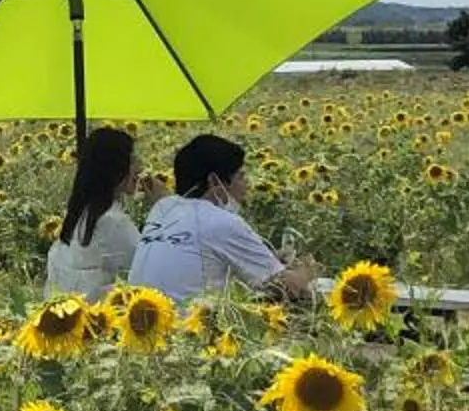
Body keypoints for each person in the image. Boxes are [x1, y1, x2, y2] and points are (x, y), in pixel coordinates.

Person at [127, 132, 293, 305]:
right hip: (190, 326)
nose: (247, 185)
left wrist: (263, 258)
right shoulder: (222, 222)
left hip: (139, 323)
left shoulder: (162, 208)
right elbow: (285, 286)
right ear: (214, 181)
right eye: (240, 176)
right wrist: (306, 272)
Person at [45, 126, 139, 299]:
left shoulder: (79, 217)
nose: (139, 168)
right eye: (133, 161)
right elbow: (147, 267)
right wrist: (163, 205)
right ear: (115, 168)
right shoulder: (113, 222)